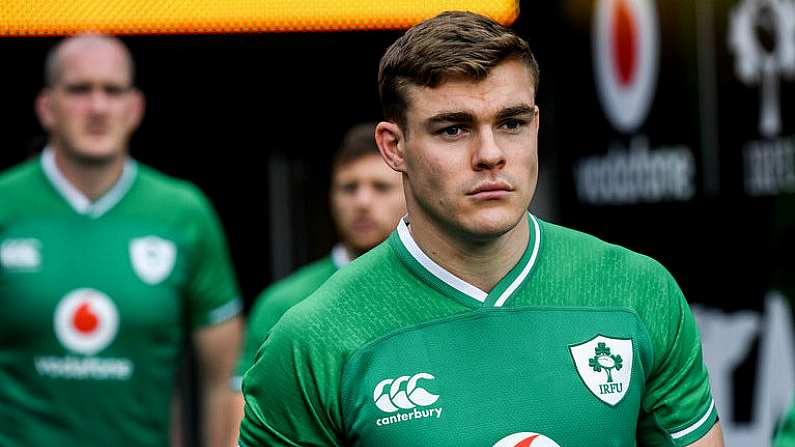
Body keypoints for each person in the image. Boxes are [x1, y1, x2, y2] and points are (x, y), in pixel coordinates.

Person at [238, 11, 723, 447]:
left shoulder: (637, 291)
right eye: (454, 128)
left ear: (536, 124)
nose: (490, 154)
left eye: (511, 123)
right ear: (394, 147)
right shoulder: (313, 339)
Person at [0, 34, 242, 446]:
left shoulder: (183, 212)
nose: (97, 107)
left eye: (113, 91)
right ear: (46, 107)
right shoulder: (5, 203)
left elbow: (223, 380)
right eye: (79, 90)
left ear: (135, 109)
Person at [227, 122, 405, 434]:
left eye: (380, 187)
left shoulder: (438, 285)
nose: (362, 201)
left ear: (411, 191)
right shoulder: (281, 303)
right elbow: (241, 431)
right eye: (349, 188)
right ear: (331, 197)